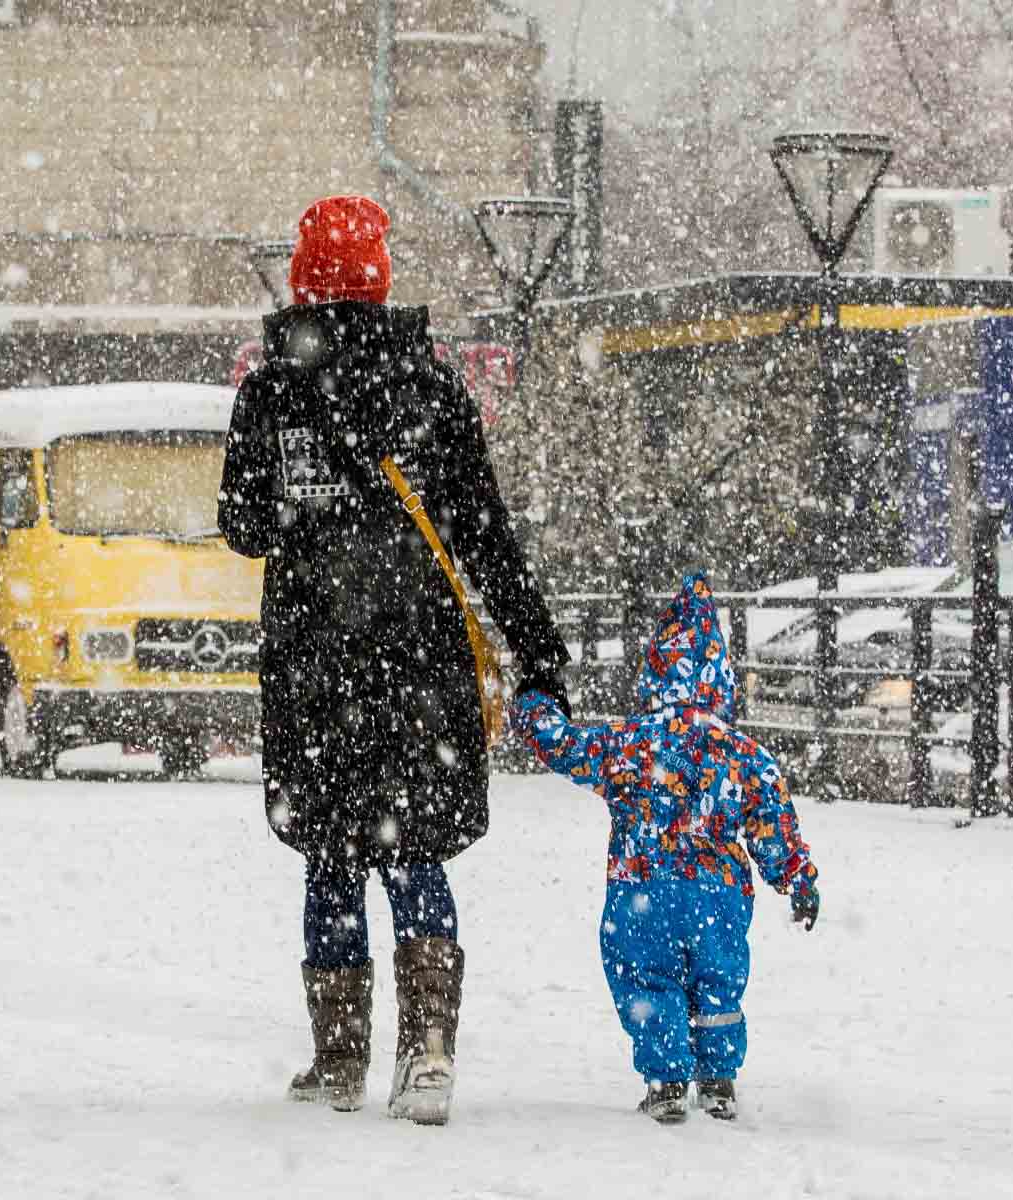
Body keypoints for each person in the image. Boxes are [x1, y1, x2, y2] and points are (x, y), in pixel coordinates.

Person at [219, 194, 568, 1126]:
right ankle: (429, 1055)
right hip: (420, 665)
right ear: (379, 274)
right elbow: (487, 538)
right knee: (413, 855)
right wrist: (538, 658)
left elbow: (242, 530)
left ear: (301, 276)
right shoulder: (435, 386)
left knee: (329, 854)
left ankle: (338, 1061)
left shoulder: (268, 390)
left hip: (313, 665)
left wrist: (309, 511)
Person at [511, 573, 821, 1125]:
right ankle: (719, 1078)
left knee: (648, 980)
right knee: (718, 982)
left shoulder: (630, 743)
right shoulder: (745, 754)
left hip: (642, 890)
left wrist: (534, 709)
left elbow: (566, 747)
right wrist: (797, 878)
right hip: (719, 895)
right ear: (722, 676)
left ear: (657, 669)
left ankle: (666, 1080)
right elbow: (774, 828)